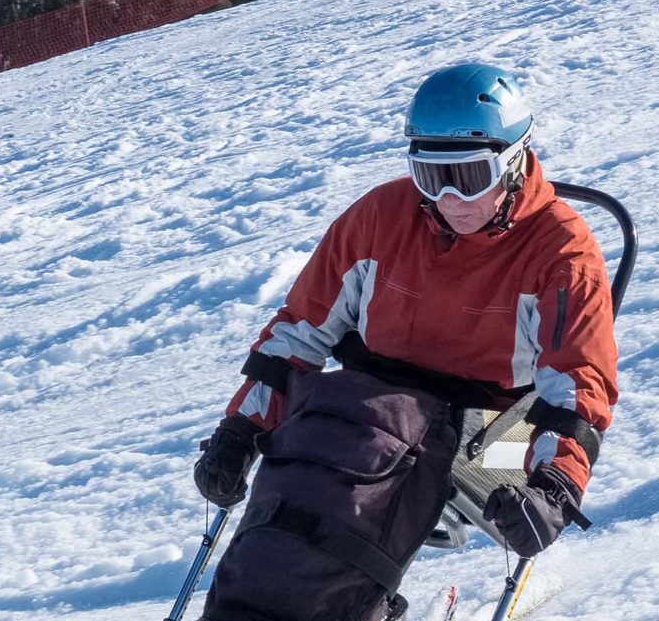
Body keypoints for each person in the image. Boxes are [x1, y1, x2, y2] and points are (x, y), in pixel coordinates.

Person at [193, 62, 619, 560]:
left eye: (469, 176)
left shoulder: (561, 254)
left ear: (514, 159)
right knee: (308, 460)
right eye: (430, 177)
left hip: (500, 426)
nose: (450, 199)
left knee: (386, 474)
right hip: (377, 409)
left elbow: (576, 385)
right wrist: (240, 429)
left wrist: (554, 487)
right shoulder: (381, 217)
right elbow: (297, 333)